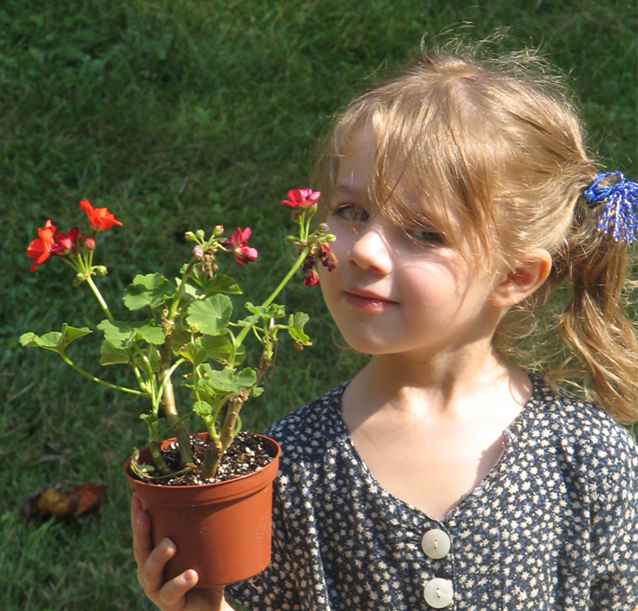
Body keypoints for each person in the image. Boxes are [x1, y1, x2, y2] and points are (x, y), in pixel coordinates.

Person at [131, 39, 638, 611]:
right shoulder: (293, 465)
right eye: (351, 212)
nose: (364, 250)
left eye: (423, 232)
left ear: (515, 277)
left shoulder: (588, 456)